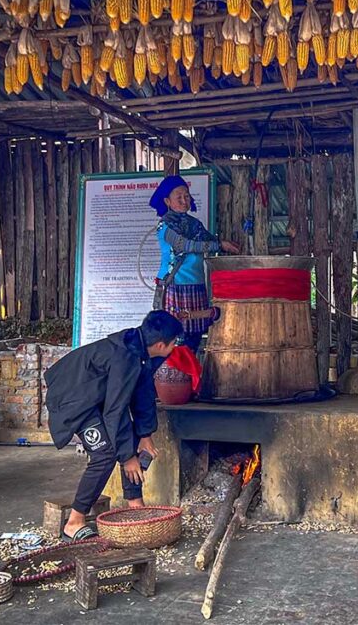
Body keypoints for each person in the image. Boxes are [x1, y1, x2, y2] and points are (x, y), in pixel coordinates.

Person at [44, 310, 184, 541]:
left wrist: (144, 434)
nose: (175, 348)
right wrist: (127, 457)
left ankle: (135, 506)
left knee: (130, 442)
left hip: (96, 396)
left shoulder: (140, 348)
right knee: (106, 454)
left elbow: (144, 393)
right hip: (74, 400)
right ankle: (74, 521)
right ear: (161, 344)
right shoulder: (125, 357)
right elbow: (115, 410)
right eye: (173, 344)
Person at [149, 175, 240, 354]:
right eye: (179, 197)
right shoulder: (164, 226)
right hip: (174, 286)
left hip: (196, 285)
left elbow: (209, 240)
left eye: (187, 196)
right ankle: (172, 380)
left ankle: (191, 378)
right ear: (167, 201)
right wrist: (220, 245)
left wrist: (224, 243)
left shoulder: (194, 224)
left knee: (195, 337)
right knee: (175, 339)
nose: (184, 201)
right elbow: (185, 245)